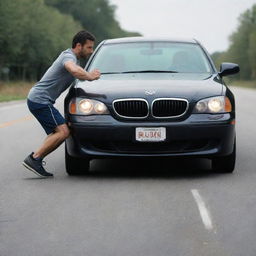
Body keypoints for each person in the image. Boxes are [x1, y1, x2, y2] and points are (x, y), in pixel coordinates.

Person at [22, 30, 101, 178]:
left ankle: (36, 158)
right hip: (40, 100)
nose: (92, 51)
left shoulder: (74, 59)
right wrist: (90, 76)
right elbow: (74, 70)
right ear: (79, 45)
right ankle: (35, 159)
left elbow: (77, 73)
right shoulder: (68, 56)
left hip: (40, 100)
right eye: (89, 47)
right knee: (63, 132)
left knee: (59, 132)